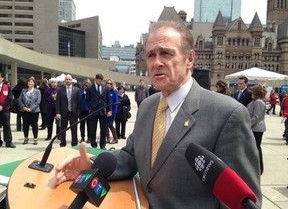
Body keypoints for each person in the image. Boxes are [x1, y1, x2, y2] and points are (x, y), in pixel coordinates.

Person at [55, 21, 262, 208]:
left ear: (189, 59)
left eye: (166, 53)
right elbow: (130, 156)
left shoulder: (228, 114)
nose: (156, 62)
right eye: (151, 55)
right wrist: (90, 165)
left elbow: (240, 202)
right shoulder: (147, 106)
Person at [86, 73, 111, 149]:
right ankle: (93, 144)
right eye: (99, 81)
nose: (100, 82)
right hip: (93, 112)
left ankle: (102, 145)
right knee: (93, 129)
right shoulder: (90, 88)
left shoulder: (105, 88)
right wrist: (90, 108)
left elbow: (108, 100)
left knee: (103, 129)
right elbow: (87, 100)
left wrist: (109, 110)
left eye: (101, 81)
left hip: (103, 112)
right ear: (96, 79)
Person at [56, 74, 81, 147]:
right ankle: (63, 143)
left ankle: (74, 144)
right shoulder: (60, 90)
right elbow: (57, 102)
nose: (68, 81)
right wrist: (57, 112)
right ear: (65, 81)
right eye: (67, 79)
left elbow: (79, 102)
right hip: (64, 113)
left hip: (73, 113)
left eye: (69, 79)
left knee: (74, 129)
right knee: (63, 129)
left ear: (72, 80)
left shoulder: (76, 90)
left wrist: (78, 112)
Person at [247, 85, 267, 175]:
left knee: (256, 148)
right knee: (255, 147)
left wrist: (247, 125)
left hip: (256, 128)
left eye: (253, 92)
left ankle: (259, 168)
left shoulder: (258, 102)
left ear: (256, 93)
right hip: (256, 127)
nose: (251, 93)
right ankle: (258, 167)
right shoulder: (256, 101)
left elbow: (256, 117)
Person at [18, 76, 41, 145]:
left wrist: (31, 108)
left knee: (34, 125)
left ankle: (35, 138)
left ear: (34, 83)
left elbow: (38, 101)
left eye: (32, 82)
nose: (30, 83)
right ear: (27, 83)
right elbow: (20, 100)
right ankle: (26, 138)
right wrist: (23, 107)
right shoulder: (23, 90)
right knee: (25, 125)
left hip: (34, 111)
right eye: (29, 82)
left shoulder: (37, 91)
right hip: (25, 111)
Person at [0, 73, 16, 148]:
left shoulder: (7, 87)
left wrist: (2, 106)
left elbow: (9, 98)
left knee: (6, 125)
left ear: (2, 78)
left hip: (5, 110)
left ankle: (8, 141)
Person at [105, 79, 118, 144]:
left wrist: (113, 112)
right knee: (105, 125)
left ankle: (115, 138)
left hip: (112, 112)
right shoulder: (105, 91)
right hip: (105, 111)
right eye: (107, 83)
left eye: (110, 83)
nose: (109, 84)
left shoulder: (114, 92)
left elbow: (116, 103)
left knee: (110, 125)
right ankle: (108, 138)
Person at [79, 78, 91, 143]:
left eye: (88, 85)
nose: (86, 86)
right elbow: (79, 98)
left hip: (88, 110)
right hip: (82, 110)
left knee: (89, 125)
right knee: (82, 125)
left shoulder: (90, 91)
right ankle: (82, 137)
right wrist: (84, 93)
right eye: (85, 85)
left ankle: (89, 138)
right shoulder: (80, 90)